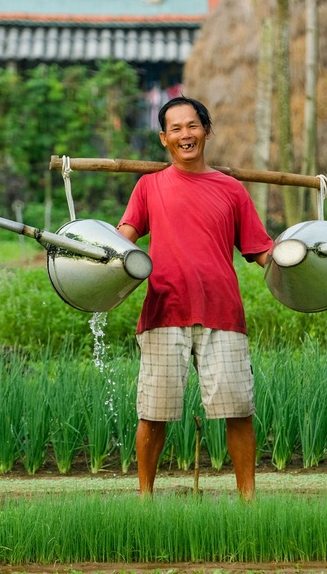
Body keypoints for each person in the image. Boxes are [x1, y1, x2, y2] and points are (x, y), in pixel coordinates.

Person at [116, 96, 273, 500]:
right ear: (164, 138)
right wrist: (90, 255)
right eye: (176, 129)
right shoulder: (149, 187)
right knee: (154, 413)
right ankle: (145, 499)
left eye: (193, 126)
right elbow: (122, 242)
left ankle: (248, 501)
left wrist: (299, 257)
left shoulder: (232, 190)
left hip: (223, 313)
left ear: (205, 130)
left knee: (238, 410)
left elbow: (260, 251)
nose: (186, 135)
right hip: (164, 311)